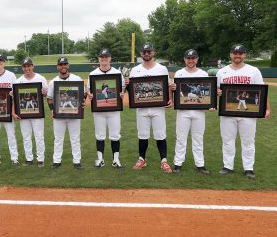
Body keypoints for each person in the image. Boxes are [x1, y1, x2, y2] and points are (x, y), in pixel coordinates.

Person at [217, 44, 271, 179]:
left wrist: (267, 108)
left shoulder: (253, 71)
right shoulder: (222, 72)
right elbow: (216, 91)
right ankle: (228, 166)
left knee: (248, 140)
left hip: (248, 115)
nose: (237, 55)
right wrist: (217, 93)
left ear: (245, 55)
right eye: (235, 53)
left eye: (240, 53)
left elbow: (262, 90)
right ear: (230, 54)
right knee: (228, 140)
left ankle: (248, 168)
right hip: (227, 112)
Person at [126, 44, 173, 173]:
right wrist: (127, 86)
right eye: (144, 51)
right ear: (141, 53)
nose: (146, 53)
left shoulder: (161, 69)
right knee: (142, 135)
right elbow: (132, 90)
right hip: (141, 108)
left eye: (149, 51)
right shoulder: (135, 70)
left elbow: (168, 85)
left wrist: (170, 99)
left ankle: (164, 161)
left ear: (153, 52)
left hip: (158, 107)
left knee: (160, 135)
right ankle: (142, 159)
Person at [171, 49, 210, 174]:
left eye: (193, 58)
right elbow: (175, 92)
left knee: (198, 138)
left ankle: (200, 164)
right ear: (184, 59)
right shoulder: (179, 73)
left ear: (197, 59)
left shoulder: (203, 74)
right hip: (183, 111)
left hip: (199, 112)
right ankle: (178, 163)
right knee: (181, 137)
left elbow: (208, 92)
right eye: (188, 58)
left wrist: (211, 103)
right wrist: (173, 89)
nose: (191, 60)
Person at [87, 49, 125, 169]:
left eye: (106, 56)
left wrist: (122, 94)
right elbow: (89, 89)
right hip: (99, 111)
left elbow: (122, 88)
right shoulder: (93, 74)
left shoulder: (117, 73)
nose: (104, 59)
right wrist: (90, 94)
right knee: (100, 135)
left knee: (115, 135)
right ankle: (100, 159)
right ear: (98, 58)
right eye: (102, 57)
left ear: (110, 58)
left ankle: (116, 160)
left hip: (114, 111)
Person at [47, 57, 84, 170]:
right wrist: (52, 110)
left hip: (74, 114)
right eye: (61, 64)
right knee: (58, 138)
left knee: (75, 138)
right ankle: (57, 160)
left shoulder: (76, 78)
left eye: (65, 64)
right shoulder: (53, 82)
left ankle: (77, 161)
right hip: (59, 114)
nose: (63, 66)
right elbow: (49, 99)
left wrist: (82, 103)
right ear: (57, 66)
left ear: (68, 65)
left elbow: (83, 94)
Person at [13, 58, 48, 167]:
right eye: (25, 66)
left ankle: (40, 159)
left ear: (33, 66)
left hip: (38, 112)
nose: (27, 68)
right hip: (23, 113)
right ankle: (29, 158)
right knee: (26, 136)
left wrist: (44, 92)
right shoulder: (18, 81)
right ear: (22, 68)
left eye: (29, 66)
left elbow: (46, 94)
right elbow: (14, 99)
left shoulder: (40, 78)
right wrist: (13, 112)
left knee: (39, 136)